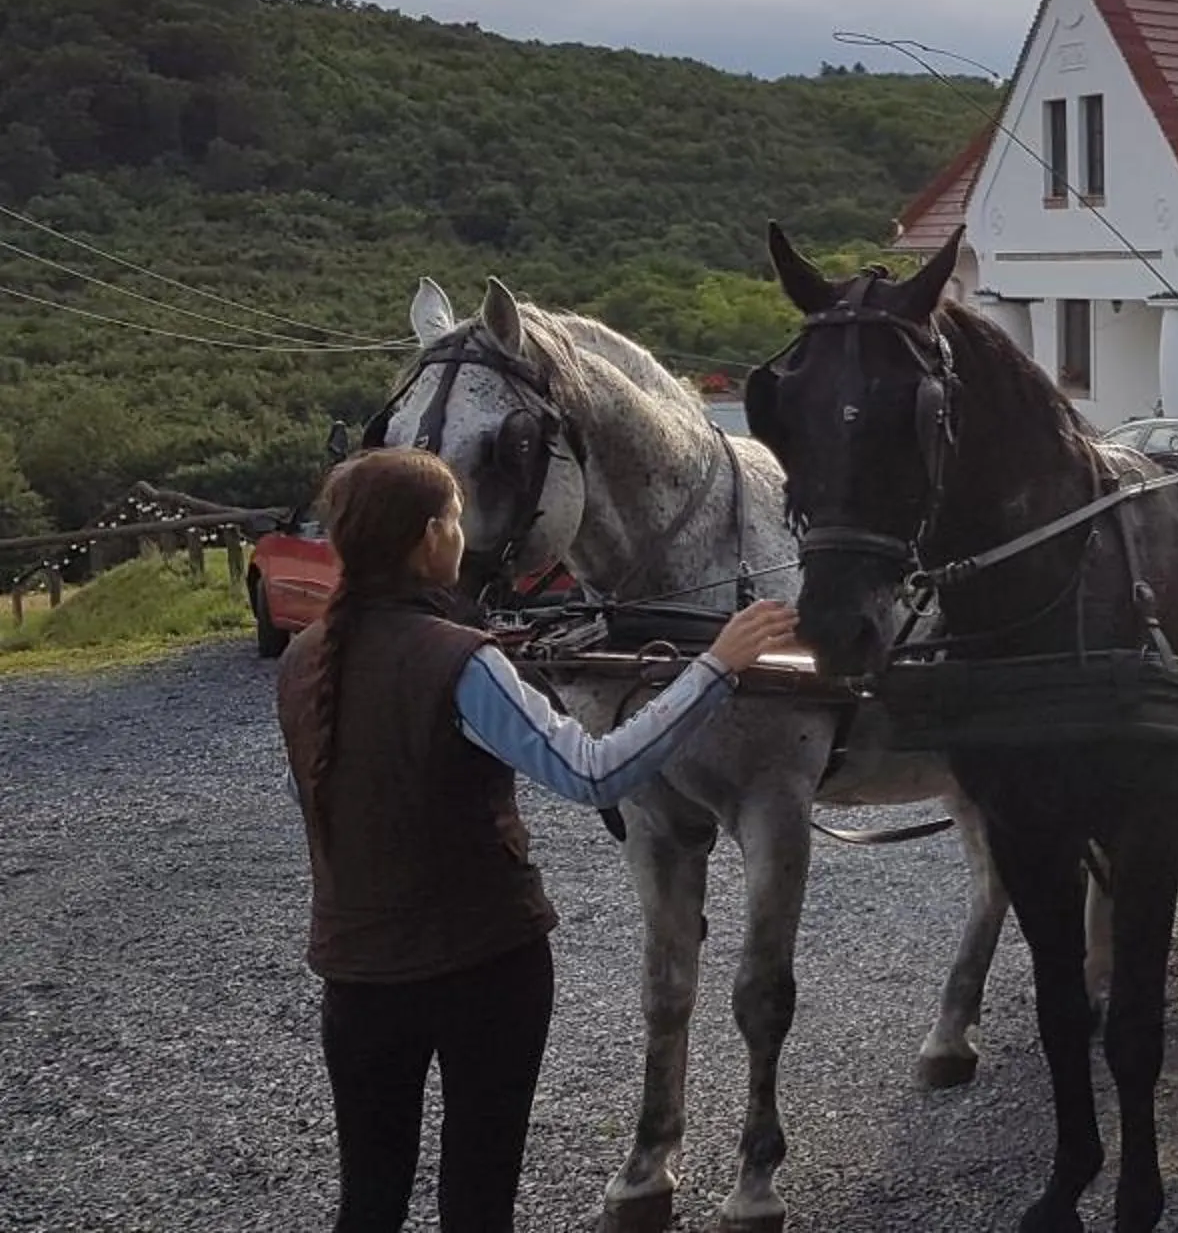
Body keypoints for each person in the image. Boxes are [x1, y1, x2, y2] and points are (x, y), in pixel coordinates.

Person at [276, 446, 803, 1233]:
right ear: (429, 539)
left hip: (355, 984)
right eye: (455, 518)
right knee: (478, 1192)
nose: (462, 534)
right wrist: (715, 667)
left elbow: (319, 792)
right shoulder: (462, 663)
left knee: (370, 1196)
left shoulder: (302, 657)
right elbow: (591, 773)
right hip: (481, 971)